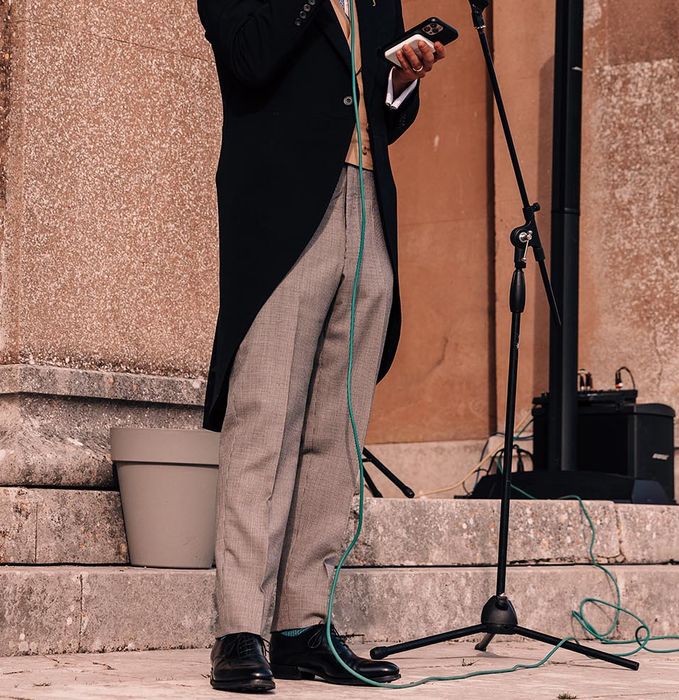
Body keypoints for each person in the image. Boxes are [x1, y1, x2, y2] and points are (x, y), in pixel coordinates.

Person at [196, 0, 447, 692]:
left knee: (340, 429)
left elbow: (381, 109)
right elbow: (247, 57)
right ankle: (240, 628)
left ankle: (303, 625)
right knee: (263, 419)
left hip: (367, 200)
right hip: (281, 211)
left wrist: (403, 78)